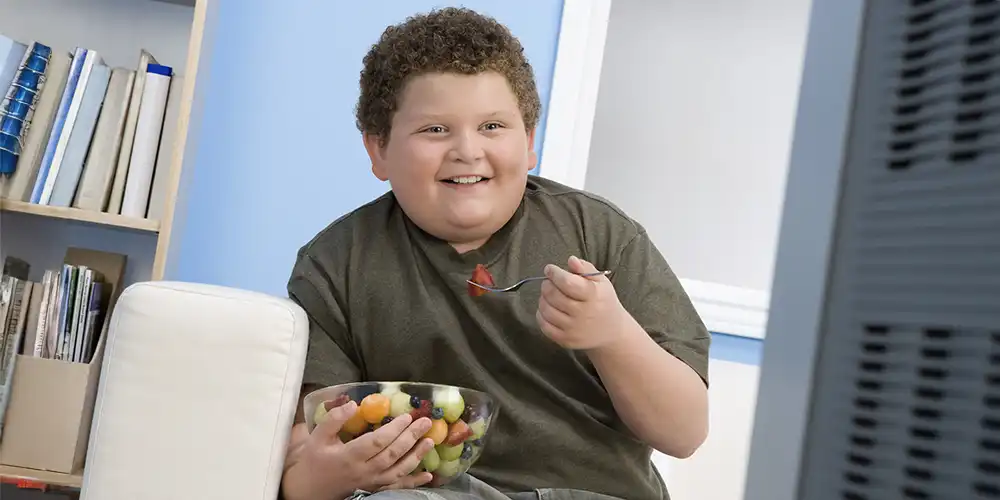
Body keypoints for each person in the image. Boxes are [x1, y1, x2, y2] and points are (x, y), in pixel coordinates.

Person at [280, 7, 711, 500]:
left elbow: (684, 431)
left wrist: (611, 335)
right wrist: (317, 480)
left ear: (528, 142)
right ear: (379, 150)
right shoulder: (337, 265)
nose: (467, 150)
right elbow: (306, 445)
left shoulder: (601, 234)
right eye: (435, 130)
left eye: (492, 126)